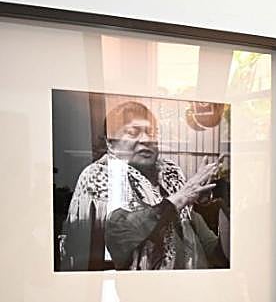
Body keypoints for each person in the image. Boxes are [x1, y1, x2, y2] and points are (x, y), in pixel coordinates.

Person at [61, 100, 225, 270]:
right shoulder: (101, 174)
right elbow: (121, 234)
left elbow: (209, 246)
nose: (146, 139)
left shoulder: (171, 174)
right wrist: (182, 197)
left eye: (151, 133)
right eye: (133, 133)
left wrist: (219, 198)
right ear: (111, 143)